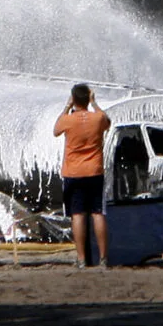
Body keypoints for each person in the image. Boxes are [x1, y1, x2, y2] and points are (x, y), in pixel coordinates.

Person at [53, 83, 111, 270]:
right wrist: (94, 103)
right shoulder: (98, 118)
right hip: (94, 171)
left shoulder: (68, 120)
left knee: (77, 214)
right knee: (97, 213)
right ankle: (103, 258)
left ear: (73, 99)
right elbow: (107, 121)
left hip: (73, 172)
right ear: (89, 98)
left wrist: (67, 106)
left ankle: (81, 259)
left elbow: (56, 130)